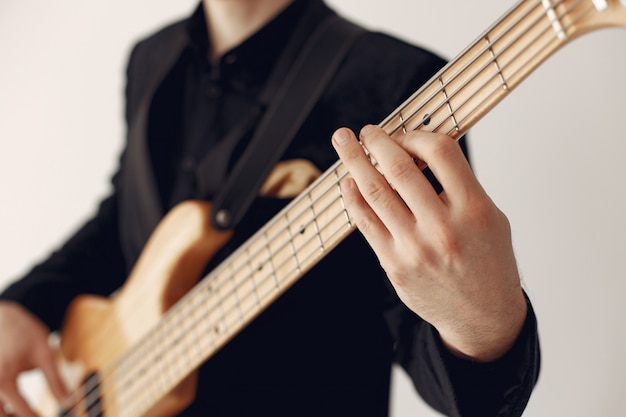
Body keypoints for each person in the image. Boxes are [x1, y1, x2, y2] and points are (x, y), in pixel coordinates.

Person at [0, 1, 540, 416]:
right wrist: (24, 304)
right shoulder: (151, 58)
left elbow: (417, 324)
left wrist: (486, 330)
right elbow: (127, 210)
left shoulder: (398, 81)